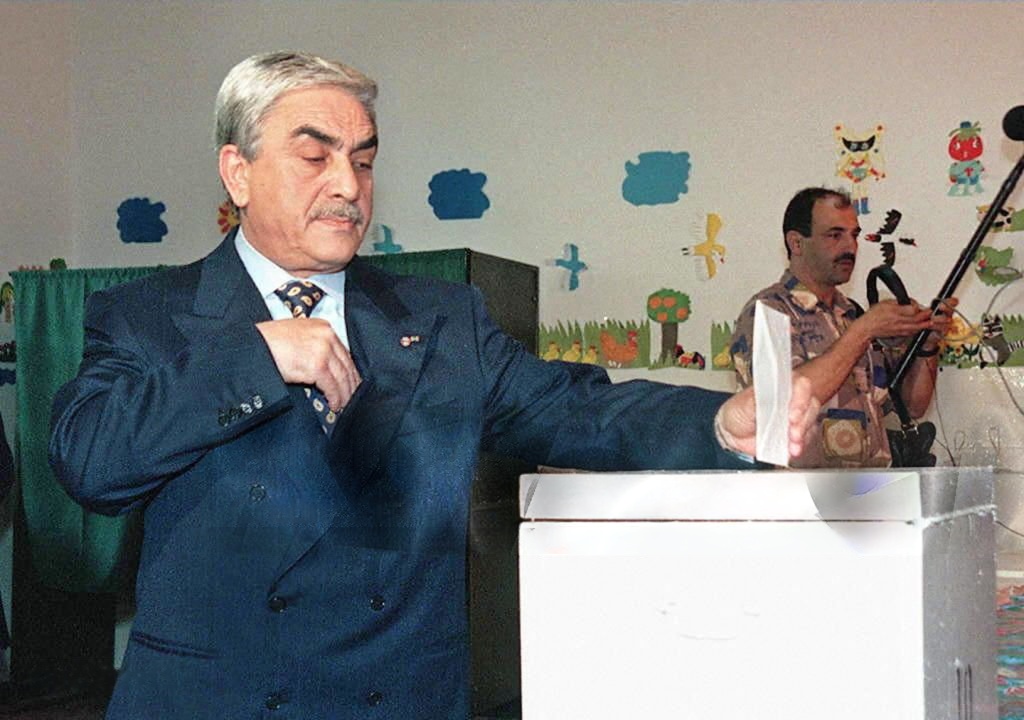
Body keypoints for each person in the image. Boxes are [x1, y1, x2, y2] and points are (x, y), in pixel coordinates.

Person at [49, 51, 816, 720]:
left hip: (398, 696)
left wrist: (720, 423)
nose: (348, 186)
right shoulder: (148, 315)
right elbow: (89, 463)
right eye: (315, 157)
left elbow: (576, 408)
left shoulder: (440, 317)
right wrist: (252, 358)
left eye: (364, 160)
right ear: (237, 172)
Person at [729, 187, 953, 469]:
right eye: (835, 235)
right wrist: (864, 331)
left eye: (854, 235)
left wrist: (927, 345)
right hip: (798, 491)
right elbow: (783, 406)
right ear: (796, 243)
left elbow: (912, 406)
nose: (850, 247)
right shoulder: (769, 312)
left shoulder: (852, 314)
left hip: (871, 488)